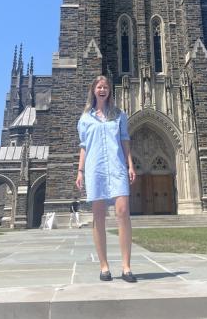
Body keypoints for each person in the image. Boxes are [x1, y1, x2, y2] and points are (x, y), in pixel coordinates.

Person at [76, 75, 137, 282]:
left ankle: (126, 267)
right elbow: (83, 147)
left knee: (123, 212)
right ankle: (104, 267)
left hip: (117, 166)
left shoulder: (119, 115)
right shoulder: (85, 119)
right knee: (99, 216)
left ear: (110, 91)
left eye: (106, 87)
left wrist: (130, 164)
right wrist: (80, 171)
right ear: (93, 90)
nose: (102, 90)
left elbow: (125, 140)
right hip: (95, 169)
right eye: (99, 87)